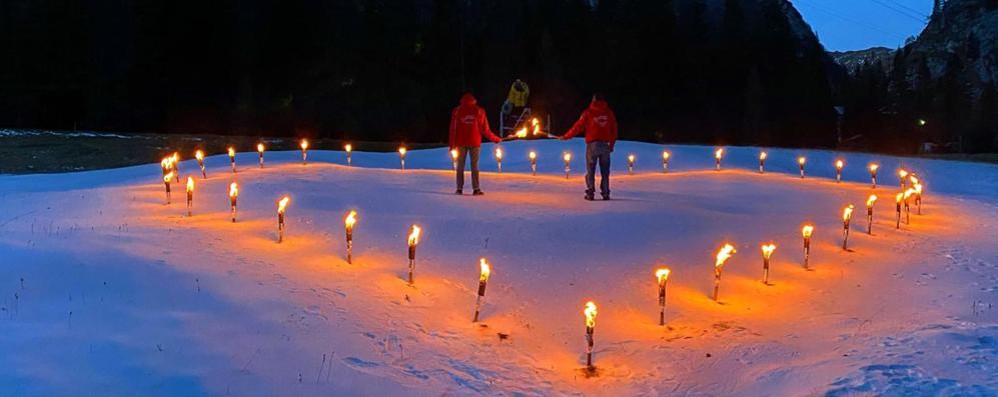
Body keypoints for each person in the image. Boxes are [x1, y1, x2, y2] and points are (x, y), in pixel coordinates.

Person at [560, 94, 618, 201]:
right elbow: (614, 130)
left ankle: (590, 192)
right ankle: (605, 193)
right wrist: (612, 145)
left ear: (593, 100)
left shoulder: (588, 113)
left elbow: (578, 126)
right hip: (605, 145)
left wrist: (566, 136)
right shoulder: (609, 113)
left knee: (591, 169)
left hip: (593, 145)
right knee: (605, 171)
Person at [449, 92, 502, 195]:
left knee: (460, 165)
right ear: (474, 101)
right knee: (474, 165)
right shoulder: (479, 111)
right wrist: (496, 139)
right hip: (475, 142)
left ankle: (459, 188)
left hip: (461, 142)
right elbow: (485, 129)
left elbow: (453, 129)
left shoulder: (457, 111)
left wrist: (452, 144)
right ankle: (476, 188)